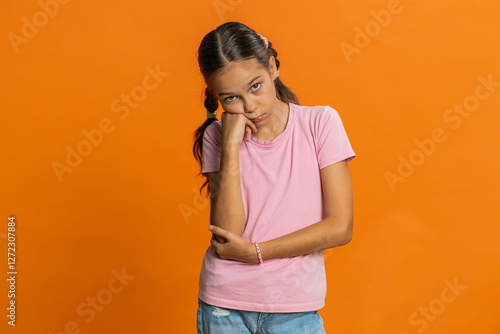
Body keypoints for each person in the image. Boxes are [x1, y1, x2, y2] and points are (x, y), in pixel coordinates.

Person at [192, 21, 356, 333]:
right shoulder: (218, 136)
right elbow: (228, 231)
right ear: (216, 96)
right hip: (224, 306)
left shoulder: (320, 123)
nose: (250, 106)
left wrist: (256, 253)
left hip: (294, 309)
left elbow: (340, 227)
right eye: (231, 98)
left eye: (255, 86)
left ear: (272, 67)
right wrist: (229, 145)